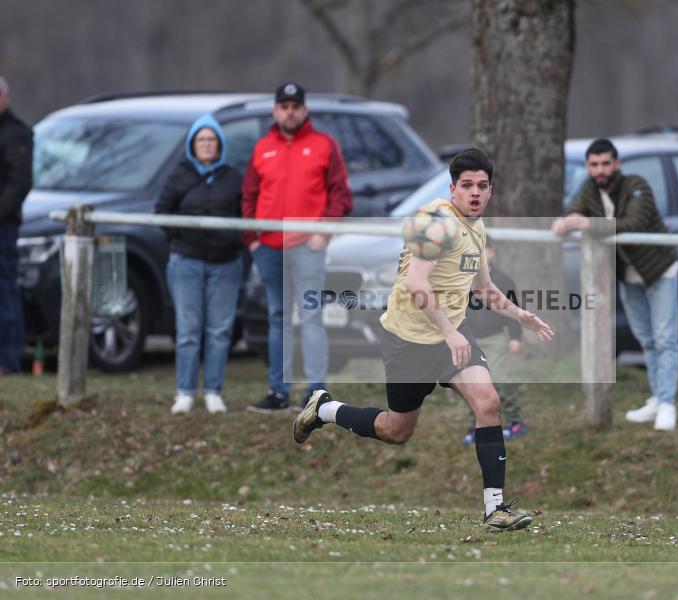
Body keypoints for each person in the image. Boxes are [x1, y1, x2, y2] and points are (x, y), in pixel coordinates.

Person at [292, 148, 554, 531]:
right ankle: (325, 409)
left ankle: (495, 510)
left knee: (489, 402)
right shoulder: (435, 222)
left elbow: (484, 288)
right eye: (467, 186)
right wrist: (447, 332)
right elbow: (416, 283)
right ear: (453, 189)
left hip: (453, 333)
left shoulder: (476, 229)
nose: (475, 193)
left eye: (482, 186)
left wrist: (519, 315)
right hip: (408, 339)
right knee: (396, 431)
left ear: (491, 190)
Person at [551, 138, 678, 431]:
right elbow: (573, 212)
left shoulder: (637, 186)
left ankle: (668, 404)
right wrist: (565, 222)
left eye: (606, 163)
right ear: (588, 167)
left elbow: (633, 225)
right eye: (594, 165)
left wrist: (587, 224)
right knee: (646, 338)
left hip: (659, 269)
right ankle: (658, 398)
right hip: (627, 273)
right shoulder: (589, 188)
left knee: (665, 338)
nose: (600, 170)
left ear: (617, 164)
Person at [242, 82, 352, 412]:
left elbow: (341, 195)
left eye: (295, 106)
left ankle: (316, 391)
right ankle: (278, 391)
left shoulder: (324, 145)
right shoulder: (262, 148)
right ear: (275, 111)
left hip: (308, 247)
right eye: (284, 106)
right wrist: (253, 240)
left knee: (310, 317)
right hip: (269, 248)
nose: (290, 112)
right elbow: (248, 195)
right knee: (277, 317)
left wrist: (324, 233)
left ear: (304, 110)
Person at [155, 115, 244, 414]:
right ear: (193, 144)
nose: (207, 144)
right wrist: (180, 239)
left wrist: (234, 240)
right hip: (187, 263)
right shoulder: (179, 175)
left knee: (219, 331)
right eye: (201, 139)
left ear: (220, 144)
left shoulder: (233, 177)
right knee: (188, 330)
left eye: (212, 139)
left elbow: (246, 214)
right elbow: (162, 212)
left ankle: (213, 391)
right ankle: (185, 392)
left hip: (226, 263)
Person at [461, 238, 528, 446]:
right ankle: (477, 425)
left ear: (492, 253)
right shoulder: (462, 279)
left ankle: (515, 421)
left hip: (496, 339)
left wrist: (516, 336)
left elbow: (513, 307)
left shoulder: (503, 279)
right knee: (472, 385)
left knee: (498, 379)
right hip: (470, 340)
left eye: (483, 251)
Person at [0, 76, 33, 376]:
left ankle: (8, 361)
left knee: (5, 292)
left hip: (3, 228)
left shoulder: (16, 134)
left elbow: (19, 183)